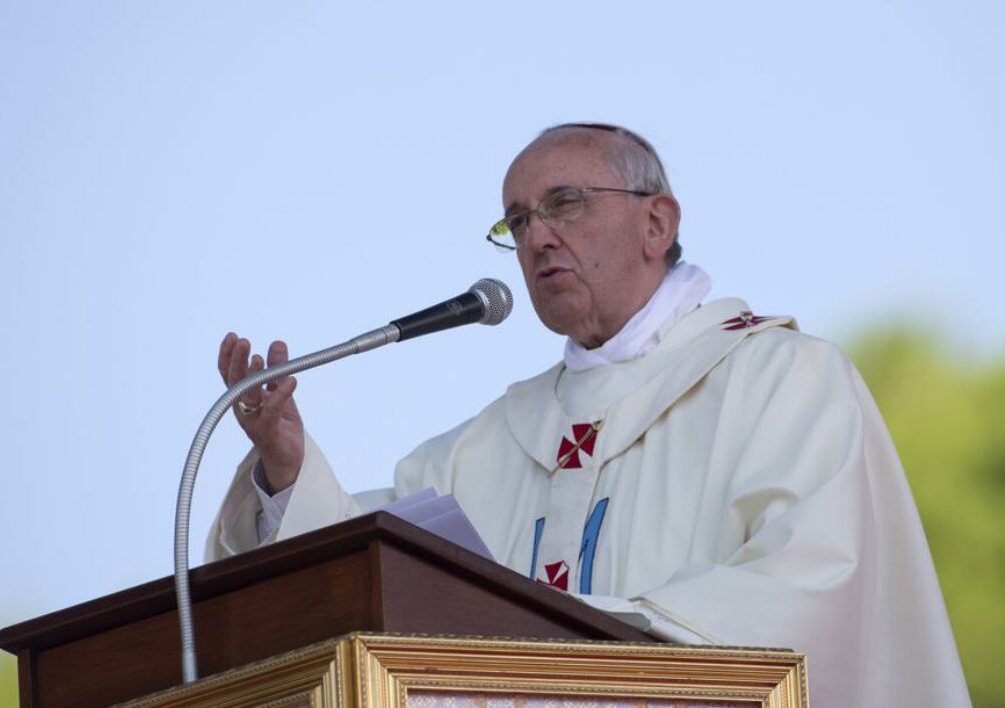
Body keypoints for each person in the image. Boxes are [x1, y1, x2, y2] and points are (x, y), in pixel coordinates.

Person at [207, 123, 971, 706]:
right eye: (517, 221)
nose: (538, 236)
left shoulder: (781, 379)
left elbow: (813, 592)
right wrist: (287, 469)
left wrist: (591, 640)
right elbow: (371, 578)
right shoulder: (483, 446)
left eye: (565, 204)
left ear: (656, 224)